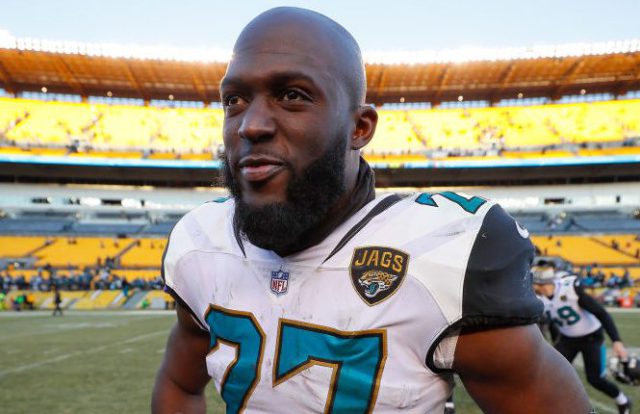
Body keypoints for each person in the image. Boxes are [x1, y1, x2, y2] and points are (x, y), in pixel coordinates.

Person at [152, 7, 591, 413]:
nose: (251, 125)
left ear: (359, 128)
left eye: (292, 95)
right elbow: (179, 382)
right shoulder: (202, 242)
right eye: (234, 100)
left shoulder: (439, 251)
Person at [533, 264, 632, 414]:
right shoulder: (539, 298)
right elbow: (551, 323)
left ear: (540, 284)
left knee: (594, 379)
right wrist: (554, 344)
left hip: (591, 336)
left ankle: (623, 400)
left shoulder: (569, 289)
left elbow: (601, 313)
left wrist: (616, 341)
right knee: (551, 372)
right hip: (567, 339)